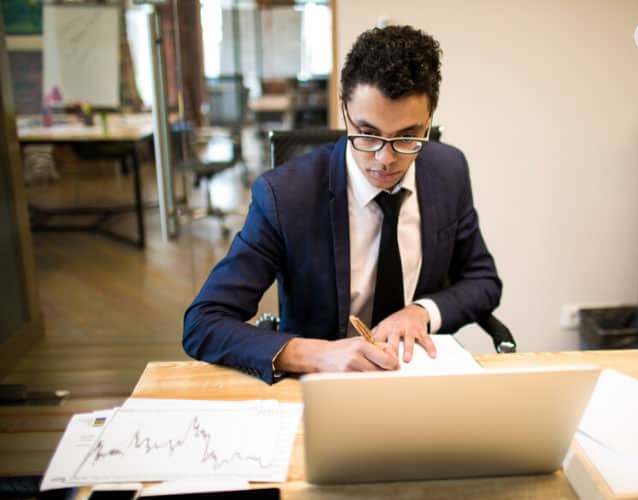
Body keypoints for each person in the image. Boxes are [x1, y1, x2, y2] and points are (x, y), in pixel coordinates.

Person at [183, 25, 502, 384]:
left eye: (408, 137)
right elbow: (203, 323)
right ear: (343, 108)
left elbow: (483, 280)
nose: (385, 159)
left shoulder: (449, 171)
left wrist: (422, 312)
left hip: (419, 381)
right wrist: (320, 354)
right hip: (323, 384)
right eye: (367, 133)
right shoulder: (286, 195)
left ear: (429, 122)